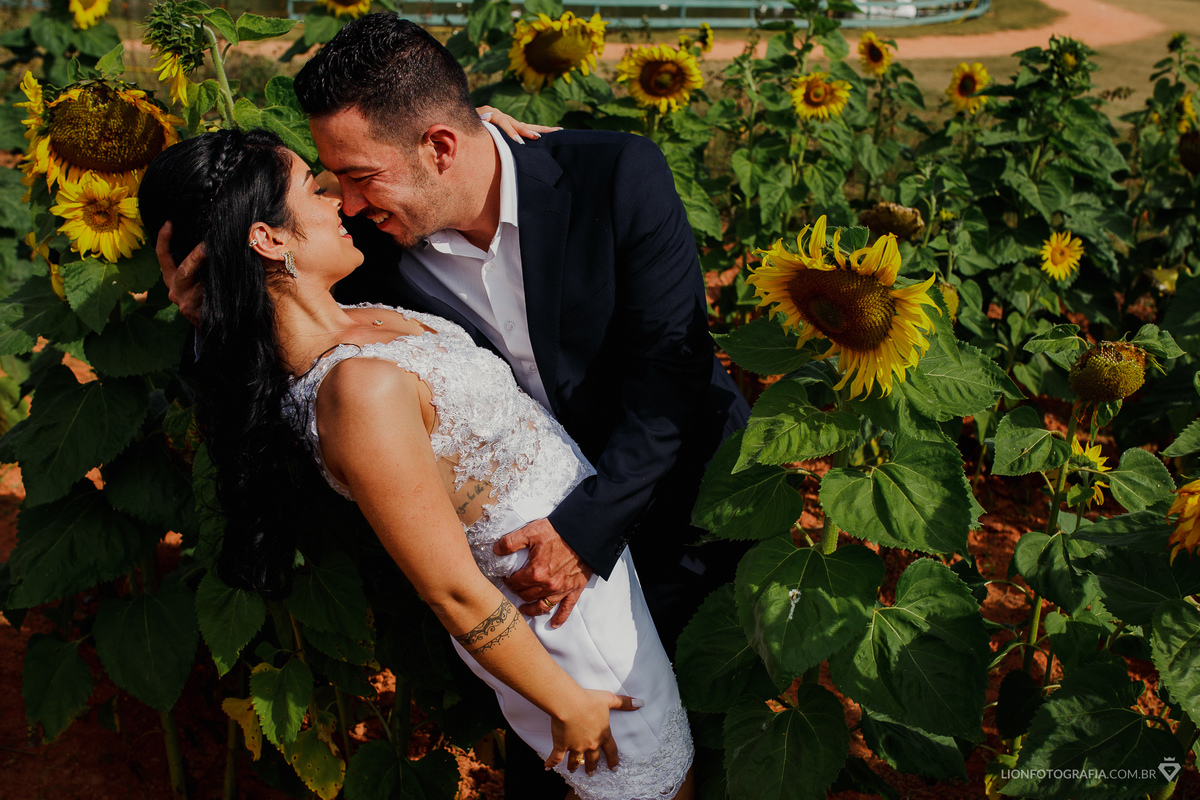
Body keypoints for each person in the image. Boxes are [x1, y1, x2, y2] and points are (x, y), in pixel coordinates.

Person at [157, 13, 750, 796]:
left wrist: (586, 531)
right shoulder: (372, 252)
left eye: (358, 176)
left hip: (668, 512)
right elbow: (275, 322)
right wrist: (202, 316)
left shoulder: (612, 176)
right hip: (537, 594)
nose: (346, 202)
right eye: (328, 180)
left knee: (704, 738)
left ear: (442, 147)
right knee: (600, 767)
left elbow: (671, 375)